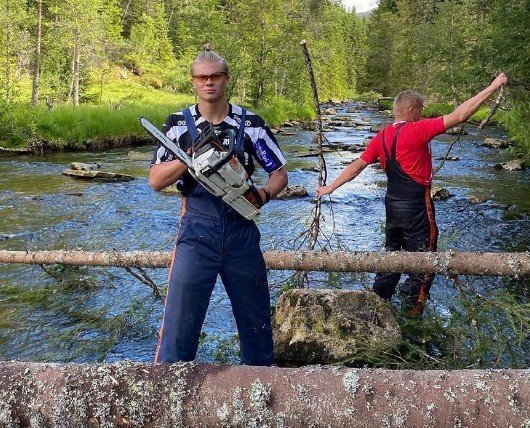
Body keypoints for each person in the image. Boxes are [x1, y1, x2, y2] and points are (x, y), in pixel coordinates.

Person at [316, 73, 508, 314]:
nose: (422, 114)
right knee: (423, 265)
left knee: (391, 258)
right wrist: (492, 86)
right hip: (417, 207)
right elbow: (460, 114)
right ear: (410, 111)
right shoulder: (418, 130)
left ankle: (378, 308)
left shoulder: (381, 136)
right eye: (420, 110)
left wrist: (331, 187)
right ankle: (411, 321)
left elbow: (357, 166)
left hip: (392, 208)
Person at [149, 47, 288, 365]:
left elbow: (279, 174)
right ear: (193, 82)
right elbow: (156, 180)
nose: (208, 82)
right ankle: (170, 394)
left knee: (256, 325)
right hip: (197, 232)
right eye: (202, 77)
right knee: (178, 327)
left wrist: (262, 196)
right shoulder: (176, 126)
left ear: (226, 80)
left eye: (215, 76)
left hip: (242, 231)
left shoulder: (250, 124)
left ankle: (260, 393)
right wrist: (189, 160)